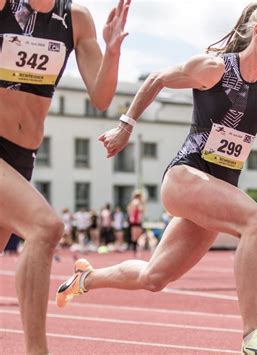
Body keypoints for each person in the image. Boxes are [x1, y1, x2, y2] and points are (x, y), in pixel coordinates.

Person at [56, 1, 257, 353]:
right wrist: (125, 127)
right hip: (185, 176)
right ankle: (253, 335)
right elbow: (158, 78)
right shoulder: (213, 69)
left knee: (154, 277)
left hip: (217, 189)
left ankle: (85, 278)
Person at [0, 0, 130, 353]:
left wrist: (112, 50)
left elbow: (101, 97)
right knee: (46, 227)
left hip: (21, 156)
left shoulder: (75, 18)